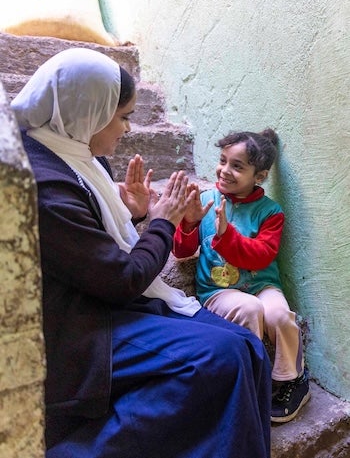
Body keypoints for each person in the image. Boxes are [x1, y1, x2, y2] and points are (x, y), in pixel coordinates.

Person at [11, 48, 272, 458]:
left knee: (248, 347)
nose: (128, 128)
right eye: (123, 116)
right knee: (222, 357)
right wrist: (161, 222)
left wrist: (133, 216)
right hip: (78, 327)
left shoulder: (79, 157)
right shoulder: (44, 185)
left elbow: (91, 251)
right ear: (90, 111)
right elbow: (122, 279)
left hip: (103, 299)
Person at [173, 129, 311, 423]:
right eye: (223, 161)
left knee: (278, 315)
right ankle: (250, 383)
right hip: (218, 291)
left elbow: (261, 255)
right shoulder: (206, 200)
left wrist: (226, 236)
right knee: (249, 309)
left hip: (262, 285)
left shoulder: (271, 212)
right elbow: (182, 252)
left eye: (237, 166)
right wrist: (188, 222)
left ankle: (293, 378)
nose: (225, 170)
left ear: (259, 176)